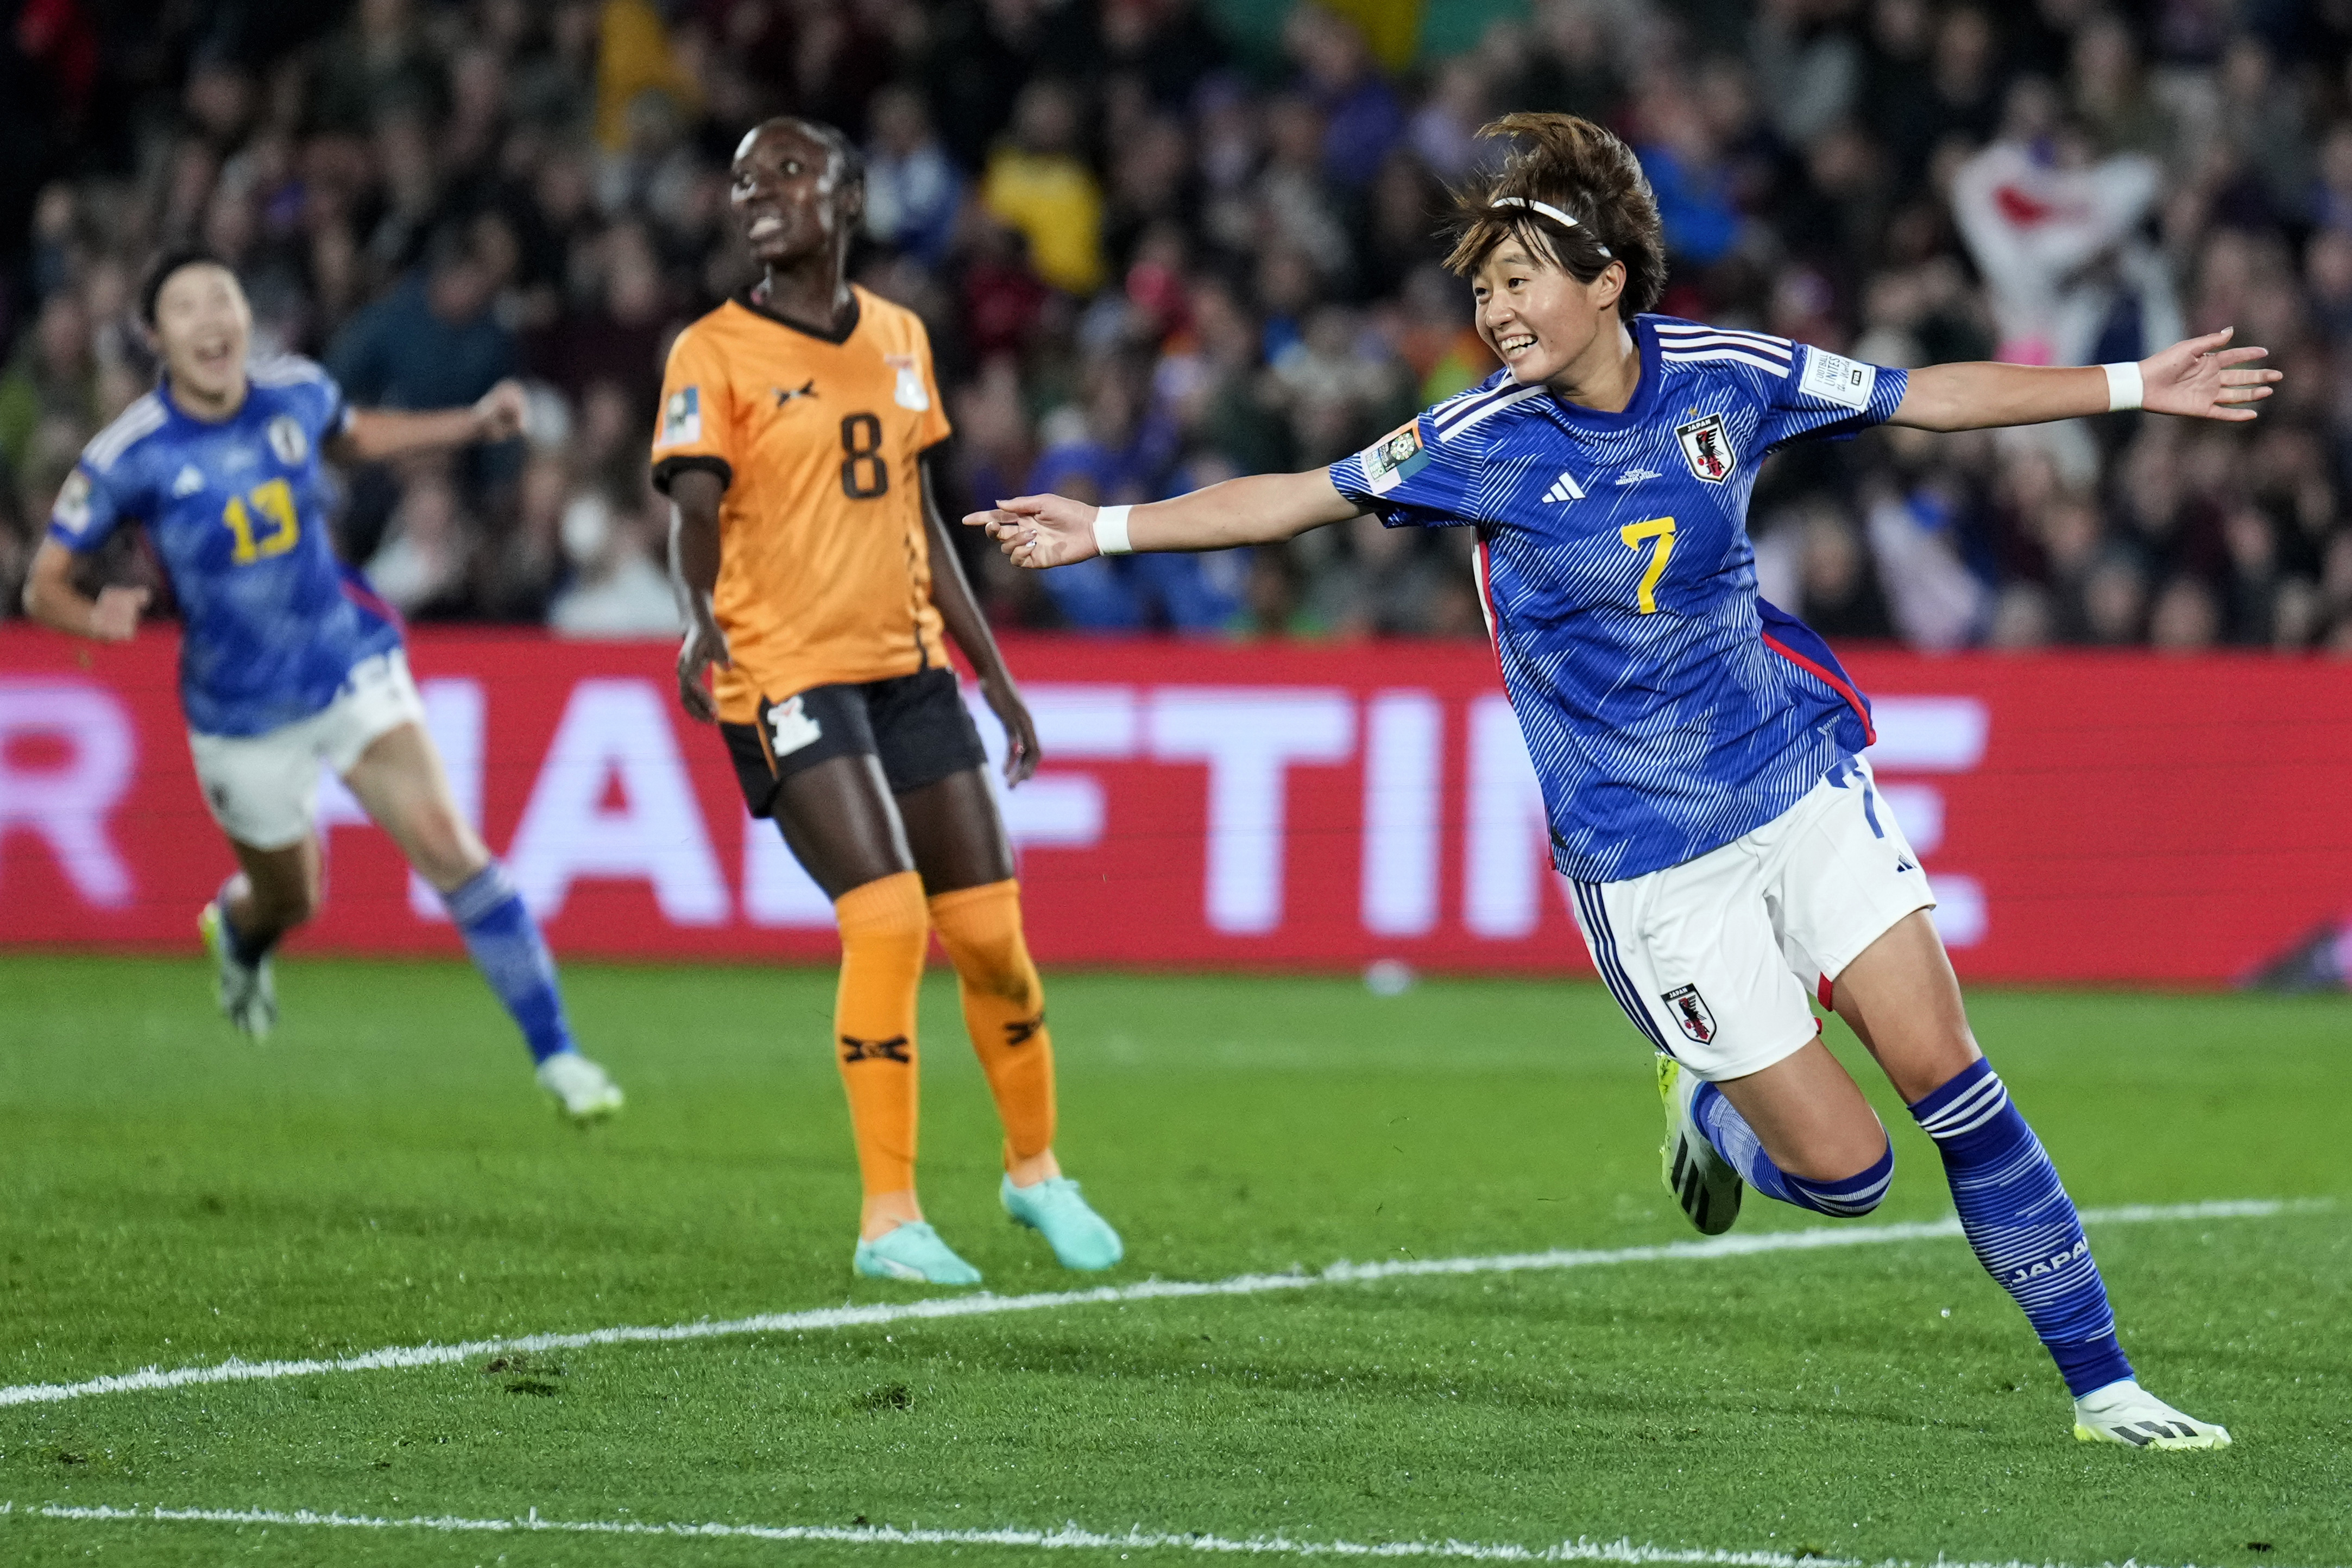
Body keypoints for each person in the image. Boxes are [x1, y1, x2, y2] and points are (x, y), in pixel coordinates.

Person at [971, 113, 2278, 1449]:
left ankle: (2106, 1389)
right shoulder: (1478, 439)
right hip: (1649, 856)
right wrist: (1108, 528)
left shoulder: (1727, 372)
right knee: (1852, 1177)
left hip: (1792, 775)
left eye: (1518, 279)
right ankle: (1702, 1099)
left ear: (1606, 282)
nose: (1493, 311)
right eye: (1479, 289)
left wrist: (2132, 385)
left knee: (1952, 1071)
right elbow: (1300, 496)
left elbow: (1922, 394)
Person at [653, 118, 1121, 1286]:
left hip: (909, 667)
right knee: (888, 917)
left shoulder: (903, 336)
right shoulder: (711, 350)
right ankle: (889, 1217)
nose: (761, 191)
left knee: (993, 941)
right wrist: (700, 619)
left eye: (790, 171)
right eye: (745, 179)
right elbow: (692, 512)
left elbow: (915, 517)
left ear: (849, 196)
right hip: (784, 672)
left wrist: (993, 673)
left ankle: (1034, 1174)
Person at [23, 250, 625, 1124]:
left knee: (449, 845)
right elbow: (45, 582)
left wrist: (468, 424)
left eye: (223, 299)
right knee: (293, 895)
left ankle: (559, 1055)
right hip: (241, 714)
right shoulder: (129, 455)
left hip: (346, 662)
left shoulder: (295, 390)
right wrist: (93, 618)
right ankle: (239, 932)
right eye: (186, 308)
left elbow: (356, 434)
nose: (212, 320)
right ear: (156, 337)